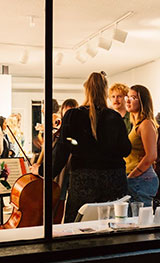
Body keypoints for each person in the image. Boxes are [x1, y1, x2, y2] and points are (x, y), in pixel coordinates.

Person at [52, 72, 131, 223]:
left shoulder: (73, 115)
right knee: (112, 226)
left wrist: (44, 171)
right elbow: (125, 150)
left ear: (86, 90)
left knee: (78, 226)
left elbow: (63, 149)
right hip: (114, 181)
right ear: (105, 92)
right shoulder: (114, 117)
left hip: (84, 181)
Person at [125, 85, 159, 207]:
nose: (128, 101)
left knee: (139, 220)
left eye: (133, 98)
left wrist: (132, 175)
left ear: (142, 101)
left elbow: (151, 156)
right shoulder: (137, 124)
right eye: (127, 97)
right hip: (137, 177)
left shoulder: (146, 124)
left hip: (140, 179)